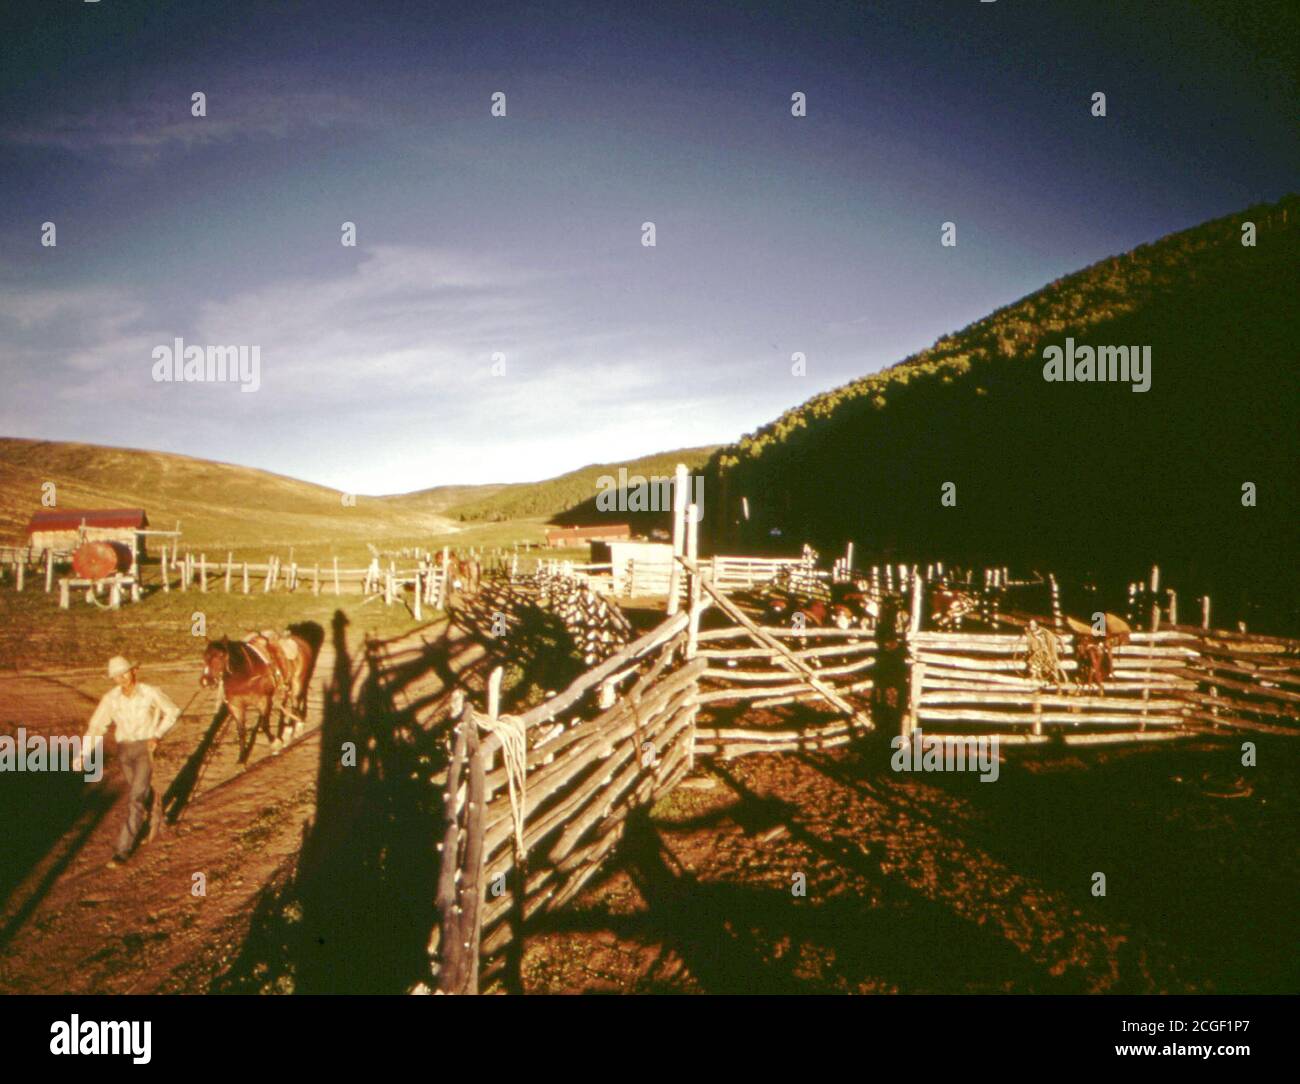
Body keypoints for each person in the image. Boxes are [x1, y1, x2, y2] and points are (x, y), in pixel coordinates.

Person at [74, 656, 181, 869]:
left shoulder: (150, 692)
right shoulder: (111, 698)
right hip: (124, 751)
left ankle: (122, 850)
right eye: (116, 676)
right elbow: (96, 727)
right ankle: (157, 814)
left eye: (124, 673)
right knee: (138, 791)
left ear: (134, 671)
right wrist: (83, 754)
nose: (121, 679)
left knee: (135, 798)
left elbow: (172, 711)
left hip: (144, 749)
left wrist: (157, 735)